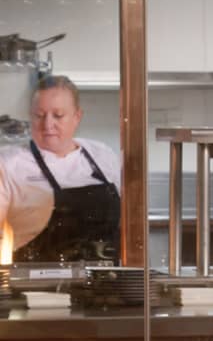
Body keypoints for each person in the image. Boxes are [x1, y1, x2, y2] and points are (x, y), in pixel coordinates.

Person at [0, 75, 122, 263]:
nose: (48, 124)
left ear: (77, 117)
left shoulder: (102, 155)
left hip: (102, 281)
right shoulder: (8, 162)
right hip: (33, 283)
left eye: (58, 115)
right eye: (39, 115)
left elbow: (127, 222)